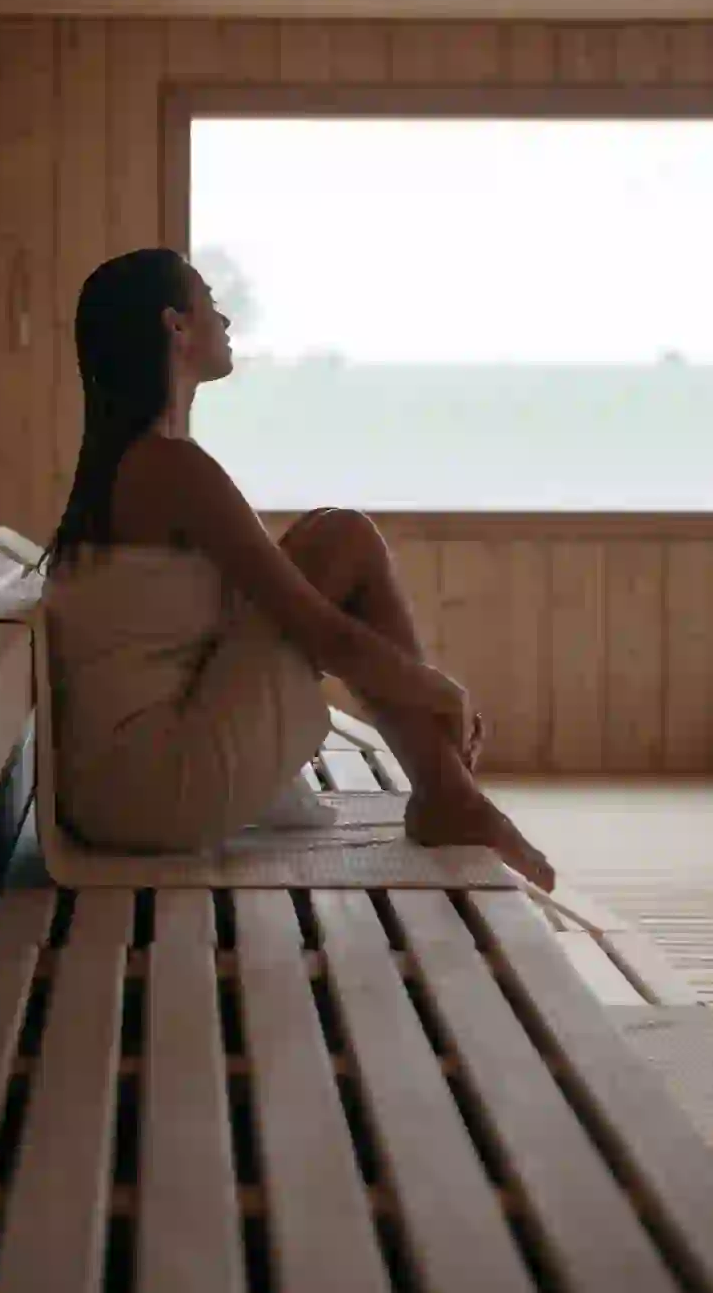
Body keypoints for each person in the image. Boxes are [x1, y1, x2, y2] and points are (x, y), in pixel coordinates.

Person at [43, 247, 555, 891]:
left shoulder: (138, 465)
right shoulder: (169, 468)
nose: (225, 319)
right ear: (176, 326)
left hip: (122, 790)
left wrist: (423, 688)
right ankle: (449, 794)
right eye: (210, 302)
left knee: (330, 534)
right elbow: (322, 634)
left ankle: (447, 794)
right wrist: (441, 691)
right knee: (343, 538)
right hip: (154, 793)